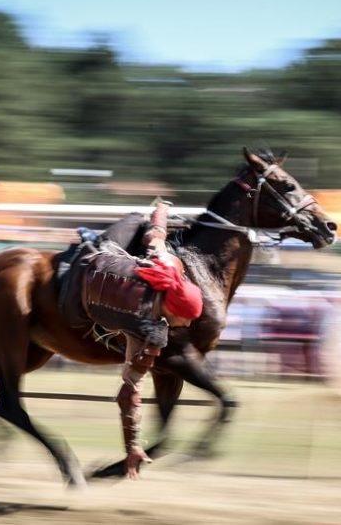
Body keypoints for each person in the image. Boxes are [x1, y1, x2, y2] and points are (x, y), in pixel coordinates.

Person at [89, 201, 203, 479]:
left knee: (133, 220)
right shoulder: (152, 335)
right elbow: (129, 392)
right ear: (173, 310)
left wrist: (160, 209)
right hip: (87, 299)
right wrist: (133, 446)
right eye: (186, 319)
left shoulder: (167, 265)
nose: (187, 325)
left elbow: (157, 233)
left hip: (97, 257)